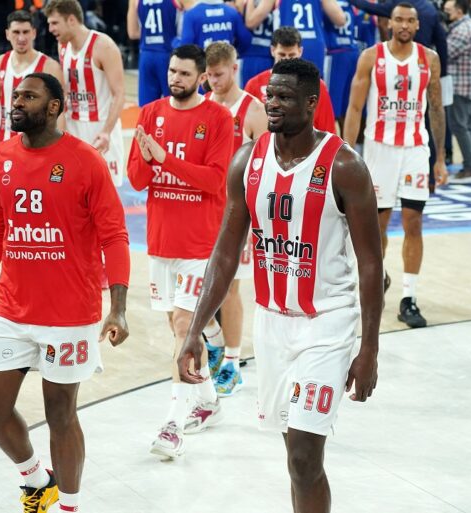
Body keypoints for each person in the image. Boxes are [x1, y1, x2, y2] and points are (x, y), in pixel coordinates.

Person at [177, 57, 382, 513]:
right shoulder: (246, 161)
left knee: (306, 456)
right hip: (271, 324)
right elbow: (224, 253)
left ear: (311, 103)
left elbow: (371, 265)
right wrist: (194, 330)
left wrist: (369, 347)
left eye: (284, 97)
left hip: (327, 322)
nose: (271, 103)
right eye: (270, 94)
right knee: (294, 456)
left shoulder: (345, 166)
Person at [0, 72, 130, 513]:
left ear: (54, 107)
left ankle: (69, 506)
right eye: (16, 96)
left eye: (29, 96)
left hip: (70, 314)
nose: (17, 102)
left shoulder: (85, 161)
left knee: (60, 413)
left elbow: (114, 236)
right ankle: (36, 480)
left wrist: (118, 308)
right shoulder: (1, 157)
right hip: (12, 309)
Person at [127, 44, 234, 457]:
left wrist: (165, 158)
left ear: (202, 77)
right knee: (178, 325)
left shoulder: (218, 119)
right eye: (173, 71)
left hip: (199, 244)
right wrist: (145, 157)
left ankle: (173, 426)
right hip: (161, 242)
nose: (176, 79)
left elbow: (214, 181)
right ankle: (208, 403)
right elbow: (138, 180)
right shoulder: (150, 113)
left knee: (184, 327)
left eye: (185, 74)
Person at [344, 2, 448, 328]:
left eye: (410, 21)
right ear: (389, 23)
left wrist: (440, 157)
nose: (404, 25)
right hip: (379, 150)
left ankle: (409, 298)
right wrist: (347, 153)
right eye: (399, 19)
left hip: (416, 149)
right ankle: (379, 278)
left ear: (417, 25)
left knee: (413, 222)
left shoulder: (429, 59)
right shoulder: (370, 57)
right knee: (377, 226)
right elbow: (354, 108)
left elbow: (436, 109)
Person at [204, 41, 268, 395]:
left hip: (236, 213)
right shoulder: (202, 104)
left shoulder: (253, 110)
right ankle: (214, 344)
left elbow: (268, 167)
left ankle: (232, 361)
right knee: (200, 284)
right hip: (202, 211)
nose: (214, 81)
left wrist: (258, 218)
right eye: (209, 75)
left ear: (234, 68)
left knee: (230, 288)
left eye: (220, 74)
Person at [0, 10, 63, 176]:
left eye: (25, 32)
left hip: (38, 149)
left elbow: (58, 113)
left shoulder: (49, 66)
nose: (21, 38)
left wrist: (57, 149)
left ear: (34, 33)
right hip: (5, 147)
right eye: (16, 32)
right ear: (7, 34)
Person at [45, 0, 127, 186]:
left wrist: (106, 132)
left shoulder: (104, 46)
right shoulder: (62, 46)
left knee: (106, 191)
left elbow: (119, 94)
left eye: (55, 23)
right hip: (73, 127)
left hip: (100, 128)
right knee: (73, 190)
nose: (50, 29)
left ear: (71, 20)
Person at [245, 27, 337, 132]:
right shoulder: (254, 85)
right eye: (282, 55)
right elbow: (246, 127)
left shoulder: (317, 85)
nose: (287, 60)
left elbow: (327, 128)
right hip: (266, 140)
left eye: (292, 55)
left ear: (300, 51)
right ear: (272, 50)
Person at [245, 0, 346, 75]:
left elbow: (251, 22)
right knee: (314, 90)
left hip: (288, 46)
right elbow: (341, 20)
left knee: (286, 87)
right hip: (315, 46)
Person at [443, 0, 471, 184]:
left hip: (461, 85)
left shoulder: (461, 30)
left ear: (459, 11)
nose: (444, 13)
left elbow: (445, 53)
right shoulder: (468, 24)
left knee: (460, 126)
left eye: (448, 11)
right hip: (468, 84)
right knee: (468, 125)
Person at [126, 0, 182, 106]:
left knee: (147, 108)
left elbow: (132, 33)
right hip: (169, 54)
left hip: (147, 55)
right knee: (175, 106)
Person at [324, 0, 361, 130]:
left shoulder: (326, 2)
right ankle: (348, 141)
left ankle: (335, 141)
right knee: (349, 108)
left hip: (335, 54)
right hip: (352, 51)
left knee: (331, 110)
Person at [180, 0, 253, 55]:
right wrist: (234, 54)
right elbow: (245, 39)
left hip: (203, 64)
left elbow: (186, 45)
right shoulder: (232, 12)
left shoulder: (191, 14)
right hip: (226, 63)